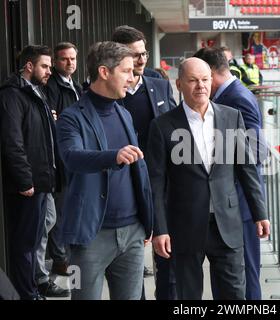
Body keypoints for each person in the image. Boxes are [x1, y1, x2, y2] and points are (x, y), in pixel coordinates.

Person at [148, 57, 270, 300]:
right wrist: (160, 229)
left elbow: (246, 168)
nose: (200, 86)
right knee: (188, 295)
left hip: (227, 222)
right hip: (185, 226)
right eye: (193, 80)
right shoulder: (162, 125)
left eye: (205, 79)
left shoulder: (231, 116)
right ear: (179, 84)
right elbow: (156, 183)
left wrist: (260, 213)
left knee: (234, 294)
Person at [56, 41, 153, 300]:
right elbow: (72, 157)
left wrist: (147, 220)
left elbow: (138, 172)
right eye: (127, 71)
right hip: (89, 237)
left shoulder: (124, 114)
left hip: (132, 232)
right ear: (104, 72)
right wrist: (114, 156)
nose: (132, 79)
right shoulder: (71, 117)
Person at [193, 47, 267, 300]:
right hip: (229, 203)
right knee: (229, 276)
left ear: (211, 73)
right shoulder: (231, 95)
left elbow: (255, 151)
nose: (198, 86)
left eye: (200, 78)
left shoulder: (237, 98)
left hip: (240, 203)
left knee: (244, 274)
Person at [112, 25, 177, 300]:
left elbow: (176, 130)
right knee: (130, 264)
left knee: (167, 256)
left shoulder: (159, 85)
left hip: (160, 184)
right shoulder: (106, 93)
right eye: (135, 55)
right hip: (124, 186)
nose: (141, 60)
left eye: (144, 53)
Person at [0, 45, 64, 299]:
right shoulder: (12, 95)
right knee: (24, 244)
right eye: (45, 66)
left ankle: (33, 287)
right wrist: (25, 180)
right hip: (28, 185)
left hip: (42, 181)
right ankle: (27, 294)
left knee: (38, 235)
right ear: (29, 66)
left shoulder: (37, 93)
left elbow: (40, 136)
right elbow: (12, 142)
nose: (50, 70)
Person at [44, 42, 82, 278]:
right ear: (56, 62)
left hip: (76, 157)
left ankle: (68, 254)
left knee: (71, 209)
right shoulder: (52, 87)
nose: (69, 63)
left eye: (72, 59)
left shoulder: (76, 86)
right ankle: (60, 259)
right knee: (59, 211)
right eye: (64, 59)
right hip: (60, 158)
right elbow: (52, 123)